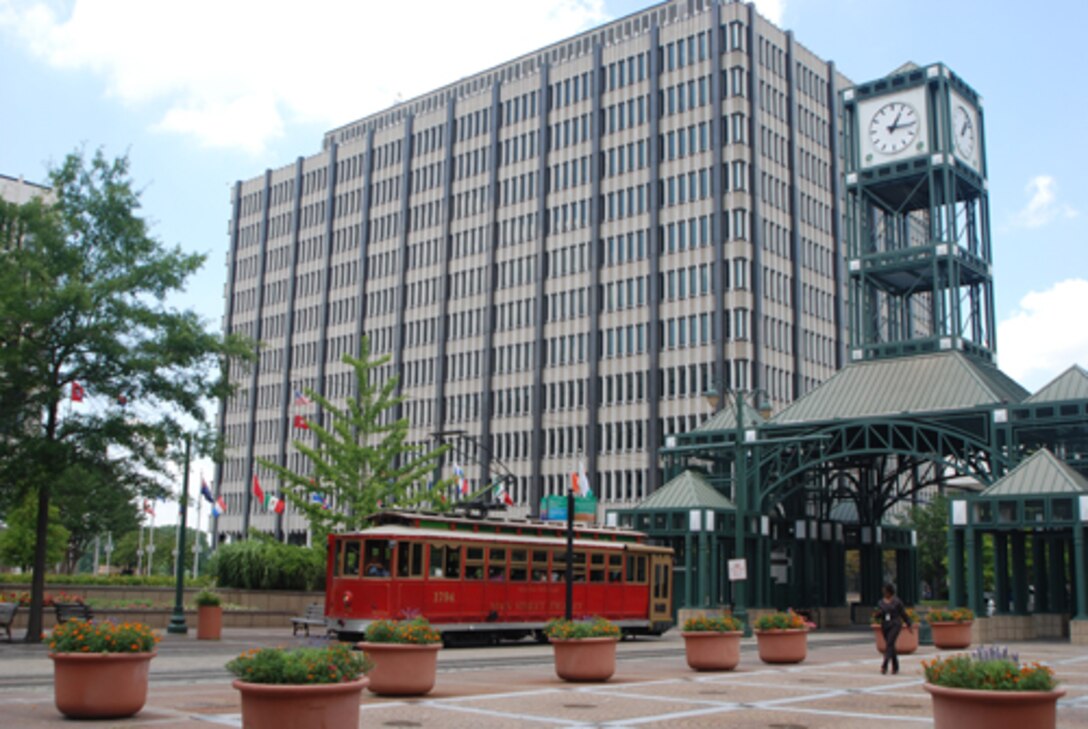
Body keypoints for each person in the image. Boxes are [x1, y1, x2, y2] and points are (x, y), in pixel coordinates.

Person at [876, 583, 911, 675]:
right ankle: (895, 666)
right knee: (890, 645)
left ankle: (884, 665)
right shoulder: (881, 602)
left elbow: (903, 614)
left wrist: (908, 624)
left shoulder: (897, 602)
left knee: (889, 643)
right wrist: (878, 614)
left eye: (885, 590)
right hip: (885, 624)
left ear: (890, 591)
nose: (884, 592)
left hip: (895, 624)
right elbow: (879, 614)